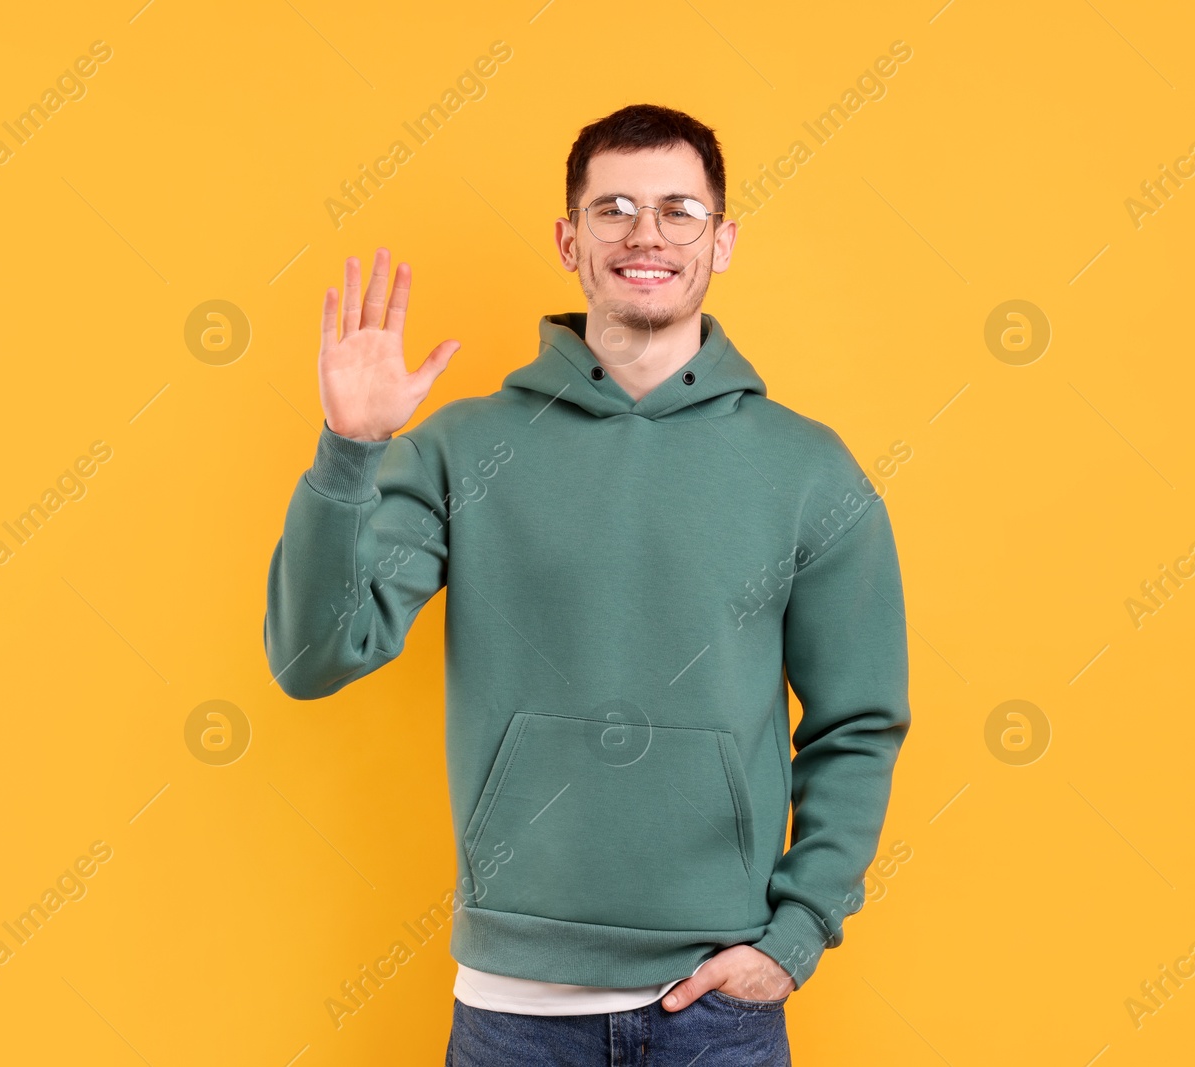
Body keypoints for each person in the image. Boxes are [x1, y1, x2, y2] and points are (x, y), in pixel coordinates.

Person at [263, 102, 911, 1066]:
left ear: (721, 240)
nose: (646, 234)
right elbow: (314, 656)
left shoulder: (808, 469)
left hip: (720, 1011)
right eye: (613, 208)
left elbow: (858, 721)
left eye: (678, 210)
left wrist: (794, 937)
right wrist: (353, 452)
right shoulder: (463, 448)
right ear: (571, 239)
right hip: (514, 1011)